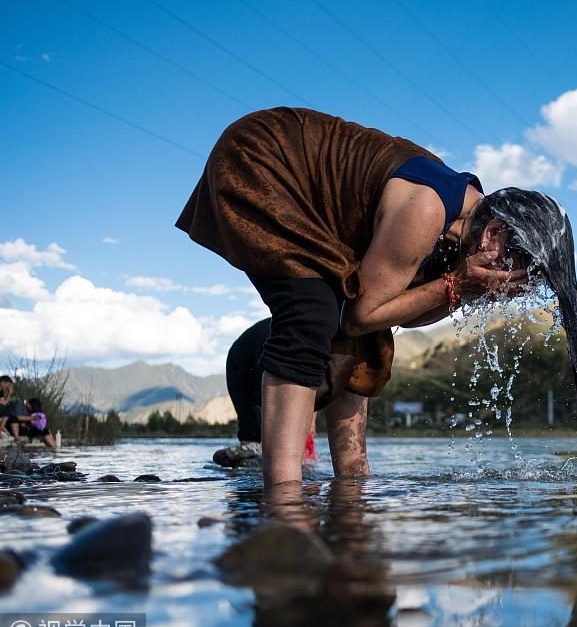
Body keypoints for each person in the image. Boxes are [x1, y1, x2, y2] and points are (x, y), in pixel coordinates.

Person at [176, 107, 554, 486]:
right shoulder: (426, 208)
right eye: (511, 266)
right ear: (495, 234)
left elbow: (400, 315)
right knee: (310, 316)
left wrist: (464, 292)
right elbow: (360, 314)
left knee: (370, 341)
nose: (506, 279)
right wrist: (455, 285)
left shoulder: (462, 228)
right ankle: (284, 496)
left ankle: (353, 483)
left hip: (316, 205)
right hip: (263, 157)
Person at [219, 318, 317, 470]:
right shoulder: (308, 335)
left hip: (241, 353)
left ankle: (249, 464)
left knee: (256, 431)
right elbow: (309, 393)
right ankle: (255, 470)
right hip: (249, 357)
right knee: (262, 430)